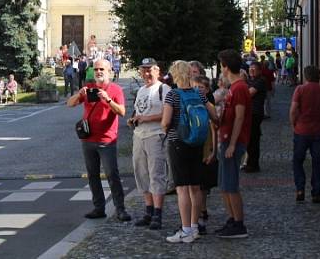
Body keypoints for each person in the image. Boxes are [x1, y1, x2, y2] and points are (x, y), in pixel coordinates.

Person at [66, 58, 131, 222]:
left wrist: (108, 99)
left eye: (101, 69)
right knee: (92, 175)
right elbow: (70, 104)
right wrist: (79, 94)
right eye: (95, 70)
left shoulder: (115, 89)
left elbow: (122, 112)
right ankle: (99, 207)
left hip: (107, 140)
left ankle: (120, 209)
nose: (98, 72)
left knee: (112, 174)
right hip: (88, 139)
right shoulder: (89, 89)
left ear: (109, 71)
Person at [162, 61, 218, 244]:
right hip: (197, 144)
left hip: (178, 144)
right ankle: (194, 228)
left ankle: (185, 229)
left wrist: (165, 131)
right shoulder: (199, 93)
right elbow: (214, 115)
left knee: (182, 189)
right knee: (195, 187)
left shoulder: (173, 95)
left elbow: (165, 122)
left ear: (175, 75)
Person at [127, 58, 169, 230]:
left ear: (157, 70)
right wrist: (134, 120)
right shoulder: (141, 90)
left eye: (149, 70)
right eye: (143, 70)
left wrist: (146, 118)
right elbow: (139, 111)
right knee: (141, 173)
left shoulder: (164, 89)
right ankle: (148, 210)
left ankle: (158, 213)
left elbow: (167, 113)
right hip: (139, 135)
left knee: (156, 173)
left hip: (156, 135)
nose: (146, 73)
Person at [215, 49, 251, 238]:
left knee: (231, 184)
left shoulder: (239, 88)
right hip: (226, 139)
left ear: (226, 67)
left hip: (233, 142)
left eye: (221, 65)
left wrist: (231, 144)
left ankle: (239, 224)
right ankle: (231, 219)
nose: (221, 69)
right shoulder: (233, 88)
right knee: (223, 184)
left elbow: (239, 118)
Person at [291, 65, 320, 203]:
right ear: (319, 76)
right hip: (319, 132)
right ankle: (316, 193)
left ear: (306, 76)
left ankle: (300, 189)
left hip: (301, 131)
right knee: (318, 162)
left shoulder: (300, 90)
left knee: (297, 161)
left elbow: (293, 110)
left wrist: (294, 124)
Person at [195, 75, 219, 235]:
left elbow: (214, 127)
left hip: (205, 148)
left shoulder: (208, 105)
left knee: (202, 185)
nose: (197, 90)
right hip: (193, 147)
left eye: (201, 88)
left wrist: (214, 151)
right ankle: (196, 216)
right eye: (195, 87)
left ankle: (201, 214)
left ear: (207, 90)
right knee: (195, 185)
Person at [245, 62, 267, 173]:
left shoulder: (260, 81)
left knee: (253, 139)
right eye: (250, 68)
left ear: (259, 71)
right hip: (250, 113)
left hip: (255, 113)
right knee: (250, 139)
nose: (251, 70)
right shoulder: (250, 81)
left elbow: (248, 94)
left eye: (254, 69)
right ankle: (249, 162)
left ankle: (253, 164)